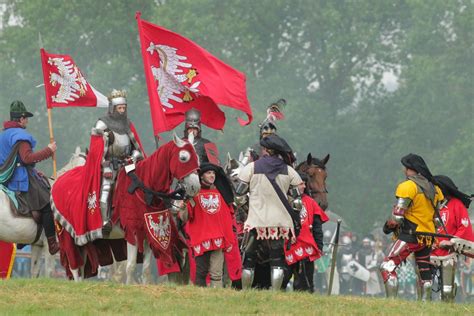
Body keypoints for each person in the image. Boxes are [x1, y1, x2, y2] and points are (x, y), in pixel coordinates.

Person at [236, 134, 303, 290]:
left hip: (255, 222)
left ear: (265, 150)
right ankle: (275, 294)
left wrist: (249, 208)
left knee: (249, 260)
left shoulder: (251, 168)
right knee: (277, 260)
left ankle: (246, 291)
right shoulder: (289, 171)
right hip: (279, 224)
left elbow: (239, 197)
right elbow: (298, 203)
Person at [380, 153, 444, 301]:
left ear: (409, 169)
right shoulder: (435, 189)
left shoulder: (407, 186)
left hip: (410, 235)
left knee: (387, 266)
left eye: (405, 167)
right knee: (424, 273)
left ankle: (391, 304)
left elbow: (397, 218)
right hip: (427, 238)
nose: (404, 171)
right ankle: (425, 306)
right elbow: (437, 219)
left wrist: (387, 226)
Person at [0, 100, 59, 254]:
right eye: (26, 118)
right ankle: (52, 243)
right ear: (20, 119)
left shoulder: (3, 135)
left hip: (4, 178)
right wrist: (48, 150)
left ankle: (22, 239)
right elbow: (27, 158)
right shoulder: (20, 136)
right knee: (47, 204)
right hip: (19, 179)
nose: (27, 121)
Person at [92, 89, 145, 235]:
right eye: (119, 108)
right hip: (110, 164)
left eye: (124, 108)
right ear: (112, 108)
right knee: (106, 189)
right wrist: (105, 165)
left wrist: (132, 158)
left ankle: (138, 217)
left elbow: (138, 149)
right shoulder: (103, 124)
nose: (122, 111)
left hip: (127, 165)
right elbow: (97, 148)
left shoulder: (128, 125)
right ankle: (105, 221)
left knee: (140, 186)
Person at [181, 162, 237, 288]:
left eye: (213, 173)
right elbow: (186, 217)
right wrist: (183, 206)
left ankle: (217, 301)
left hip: (218, 239)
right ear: (201, 176)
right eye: (208, 173)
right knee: (201, 273)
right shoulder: (193, 195)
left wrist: (228, 238)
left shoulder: (220, 194)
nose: (212, 176)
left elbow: (226, 218)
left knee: (217, 274)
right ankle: (200, 301)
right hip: (201, 238)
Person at [282, 172, 328, 292]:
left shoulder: (311, 202)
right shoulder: (284, 201)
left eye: (304, 184)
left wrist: (319, 246)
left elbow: (317, 227)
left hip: (306, 247)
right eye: (300, 183)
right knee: (282, 280)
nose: (303, 186)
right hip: (287, 246)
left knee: (306, 284)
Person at [431, 175, 473, 302]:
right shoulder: (430, 205)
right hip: (429, 251)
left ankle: (447, 310)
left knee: (447, 289)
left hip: (448, 253)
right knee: (424, 286)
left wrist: (451, 242)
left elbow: (464, 226)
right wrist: (428, 241)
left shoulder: (457, 204)